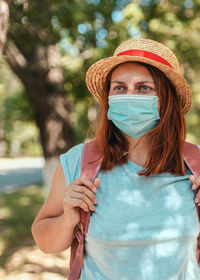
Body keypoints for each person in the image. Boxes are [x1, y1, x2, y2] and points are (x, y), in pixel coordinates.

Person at [32, 38, 200, 279]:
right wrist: (69, 219)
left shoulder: (196, 164)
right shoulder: (77, 162)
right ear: (108, 97)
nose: (129, 95)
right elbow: (45, 243)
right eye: (119, 88)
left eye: (144, 88)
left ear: (166, 100)